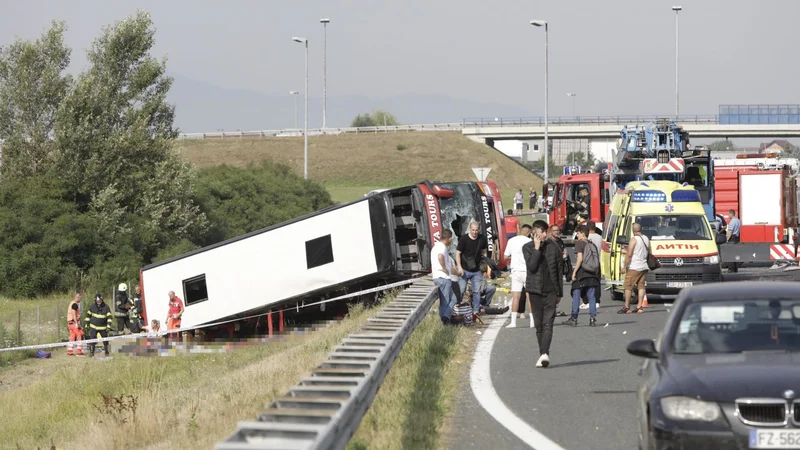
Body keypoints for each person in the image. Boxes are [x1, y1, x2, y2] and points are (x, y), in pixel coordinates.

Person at [523, 219, 563, 368]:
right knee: (539, 325)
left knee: (548, 323)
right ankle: (542, 354)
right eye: (542, 231)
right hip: (534, 291)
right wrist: (537, 248)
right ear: (535, 232)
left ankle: (545, 353)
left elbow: (559, 271)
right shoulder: (527, 247)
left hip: (551, 291)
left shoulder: (554, 247)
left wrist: (560, 292)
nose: (545, 234)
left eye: (546, 231)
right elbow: (532, 267)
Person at [563, 225, 600, 327]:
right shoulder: (592, 244)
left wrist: (574, 272)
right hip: (592, 273)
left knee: (576, 295)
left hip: (582, 273)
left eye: (578, 233)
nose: (577, 236)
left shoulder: (580, 244)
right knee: (591, 297)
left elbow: (580, 259)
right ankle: (593, 318)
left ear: (582, 234)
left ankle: (574, 318)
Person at [504, 224, 535, 328]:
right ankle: (532, 321)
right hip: (527, 270)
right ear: (528, 232)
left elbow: (505, 256)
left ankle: (513, 322)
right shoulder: (530, 242)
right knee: (529, 296)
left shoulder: (512, 241)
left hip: (516, 270)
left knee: (516, 297)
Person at [456, 221, 488, 314]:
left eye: (476, 230)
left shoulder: (482, 238)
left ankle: (476, 311)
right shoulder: (464, 239)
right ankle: (457, 308)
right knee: (461, 289)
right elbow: (458, 253)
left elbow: (484, 252)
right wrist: (459, 267)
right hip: (465, 269)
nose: (474, 232)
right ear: (470, 229)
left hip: (477, 270)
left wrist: (484, 265)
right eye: (473, 230)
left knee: (476, 291)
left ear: (479, 230)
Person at [619, 223, 649, 314]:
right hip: (644, 265)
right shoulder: (646, 238)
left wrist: (625, 266)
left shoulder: (634, 239)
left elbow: (629, 254)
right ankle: (639, 306)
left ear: (633, 230)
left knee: (628, 286)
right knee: (641, 286)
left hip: (634, 267)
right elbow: (648, 251)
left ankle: (627, 307)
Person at [431, 230, 458, 324]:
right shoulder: (442, 247)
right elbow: (440, 257)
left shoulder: (436, 246)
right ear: (449, 238)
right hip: (443, 278)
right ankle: (444, 322)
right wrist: (444, 268)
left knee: (453, 298)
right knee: (445, 302)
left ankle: (446, 316)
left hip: (437, 277)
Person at [549, 224, 570, 318]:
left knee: (559, 292)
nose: (556, 232)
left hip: (560, 269)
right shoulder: (548, 242)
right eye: (554, 230)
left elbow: (564, 252)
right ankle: (552, 309)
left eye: (557, 230)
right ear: (550, 231)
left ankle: (554, 308)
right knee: (554, 291)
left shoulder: (560, 241)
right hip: (551, 270)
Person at [84, 293, 113, 357]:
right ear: (95, 300)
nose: (99, 302)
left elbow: (109, 317)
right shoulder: (92, 306)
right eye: (97, 301)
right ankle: (92, 353)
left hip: (103, 327)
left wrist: (108, 326)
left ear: (102, 300)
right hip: (93, 327)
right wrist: (87, 325)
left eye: (100, 300)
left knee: (105, 340)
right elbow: (88, 316)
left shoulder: (106, 307)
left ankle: (107, 352)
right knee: (92, 340)